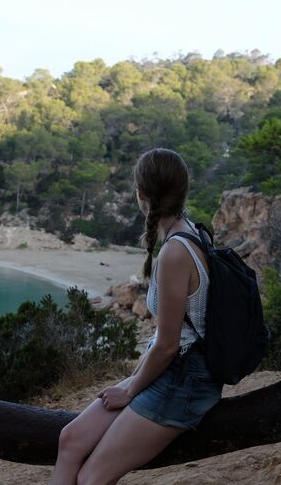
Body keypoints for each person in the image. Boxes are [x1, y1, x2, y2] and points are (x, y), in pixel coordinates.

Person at [51, 148, 223, 484]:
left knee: (92, 478)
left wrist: (130, 389)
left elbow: (169, 345)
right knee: (70, 441)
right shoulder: (189, 232)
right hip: (166, 371)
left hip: (184, 381)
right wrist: (132, 379)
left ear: (141, 196)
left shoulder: (176, 252)